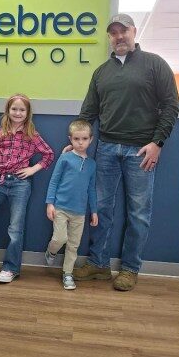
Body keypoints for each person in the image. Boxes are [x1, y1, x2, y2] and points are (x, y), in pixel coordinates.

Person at [73, 13, 179, 292]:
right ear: (109, 37)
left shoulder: (155, 64)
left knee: (138, 213)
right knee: (101, 208)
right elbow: (89, 112)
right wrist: (76, 141)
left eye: (124, 31)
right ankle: (98, 263)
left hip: (141, 152)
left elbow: (171, 105)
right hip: (106, 149)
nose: (119, 37)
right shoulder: (101, 72)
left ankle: (131, 268)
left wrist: (157, 143)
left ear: (133, 31)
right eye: (113, 33)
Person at [0, 93, 54, 284]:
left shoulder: (32, 134)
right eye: (14, 109)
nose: (18, 112)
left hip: (21, 185)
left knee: (15, 229)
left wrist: (32, 169)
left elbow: (48, 154)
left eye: (22, 110)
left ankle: (11, 268)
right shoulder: (0, 134)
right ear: (8, 110)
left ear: (27, 113)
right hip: (0, 183)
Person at [45, 119, 98, 290]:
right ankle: (51, 251)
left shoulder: (92, 165)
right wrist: (50, 203)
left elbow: (92, 189)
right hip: (60, 208)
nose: (80, 142)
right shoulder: (65, 158)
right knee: (60, 238)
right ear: (70, 139)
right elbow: (54, 181)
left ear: (90, 139)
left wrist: (94, 211)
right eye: (76, 139)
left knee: (73, 245)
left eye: (84, 139)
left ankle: (67, 274)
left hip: (80, 213)